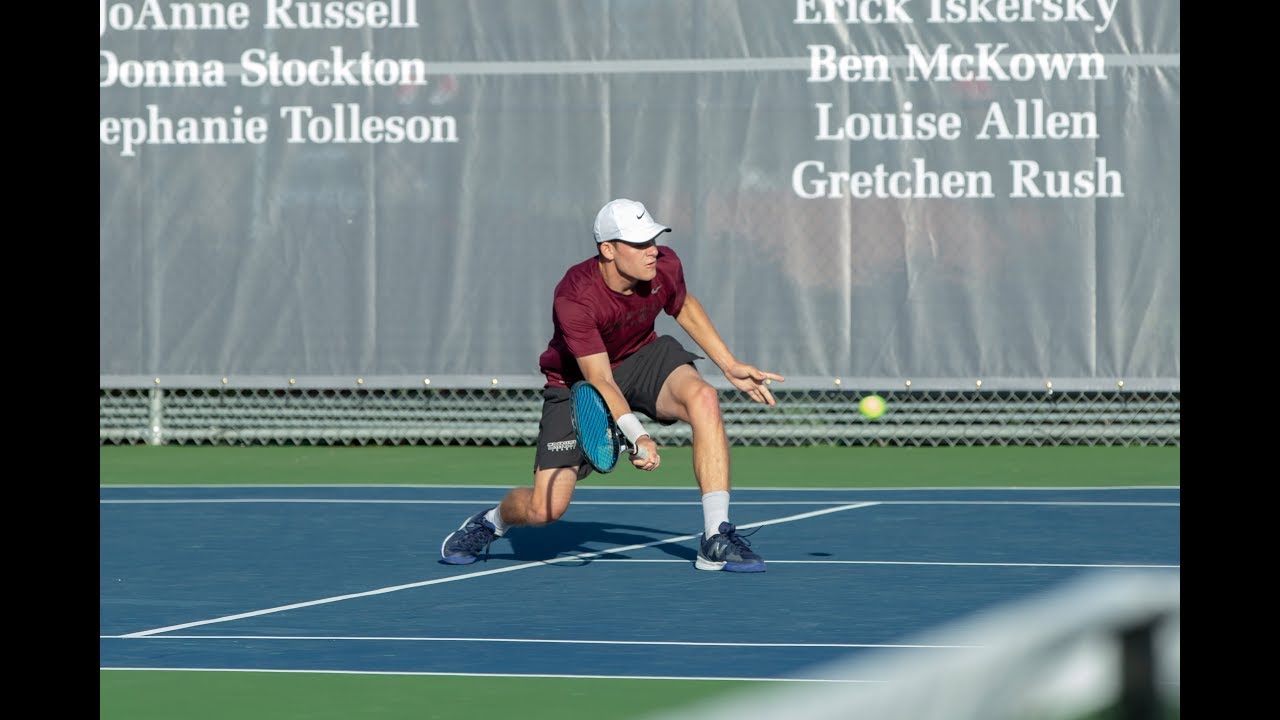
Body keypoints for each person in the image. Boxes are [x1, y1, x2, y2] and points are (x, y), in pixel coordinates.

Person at [440, 198, 784, 572]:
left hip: (643, 357)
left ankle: (715, 536)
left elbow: (683, 306)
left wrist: (728, 364)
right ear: (608, 250)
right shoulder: (575, 297)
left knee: (704, 397)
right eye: (639, 243)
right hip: (577, 383)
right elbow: (600, 378)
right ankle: (492, 522)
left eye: (652, 239)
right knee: (544, 509)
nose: (652, 250)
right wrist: (639, 436)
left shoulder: (664, 265)